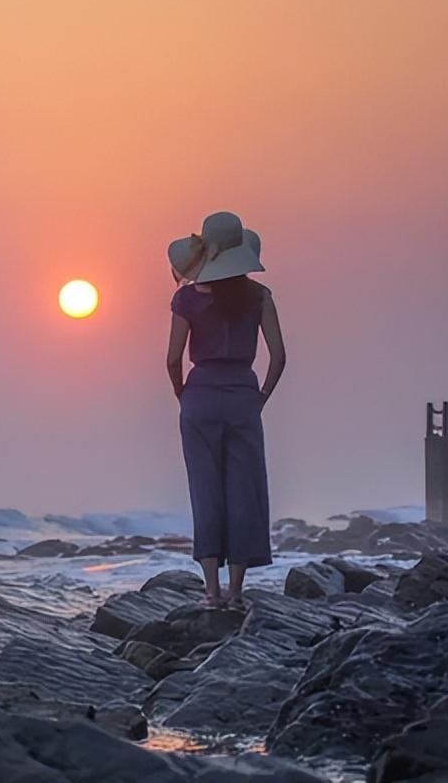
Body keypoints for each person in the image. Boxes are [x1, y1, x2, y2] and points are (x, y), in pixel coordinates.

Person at [166, 212, 286, 610]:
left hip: (199, 395)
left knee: (205, 491)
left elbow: (172, 359)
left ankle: (211, 592)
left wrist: (185, 396)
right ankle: (236, 592)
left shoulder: (186, 299)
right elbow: (279, 357)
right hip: (242, 395)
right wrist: (261, 396)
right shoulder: (259, 296)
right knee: (243, 491)